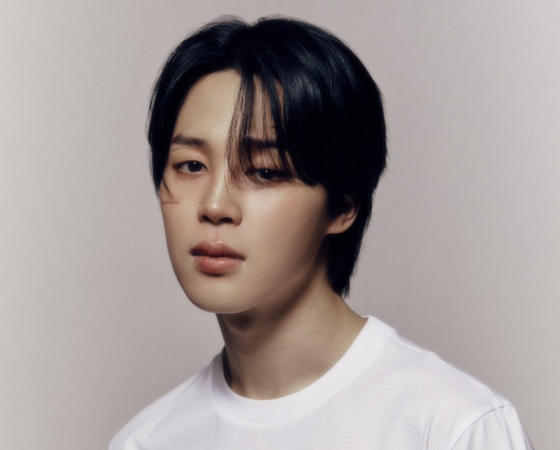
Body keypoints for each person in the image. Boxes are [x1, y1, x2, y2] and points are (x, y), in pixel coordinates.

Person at [110, 16, 533, 449]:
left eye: (265, 171)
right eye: (191, 166)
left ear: (343, 205)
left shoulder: (454, 427)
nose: (215, 206)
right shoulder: (145, 441)